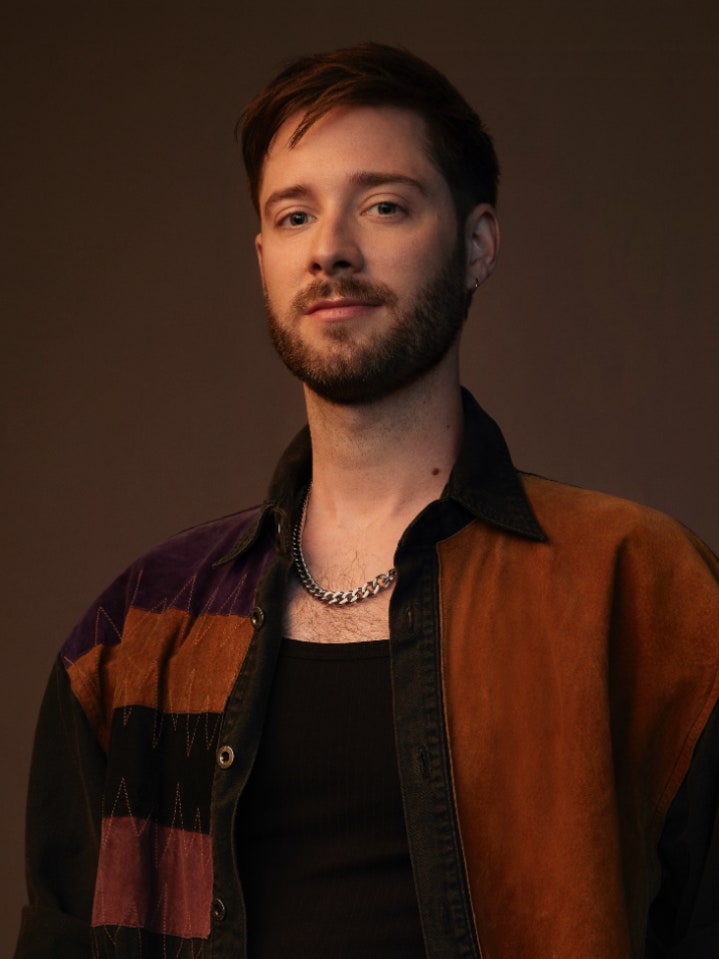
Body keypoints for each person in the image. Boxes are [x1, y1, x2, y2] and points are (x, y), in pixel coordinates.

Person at [13, 42, 719, 959]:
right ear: (263, 256)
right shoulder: (137, 632)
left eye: (384, 205)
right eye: (295, 214)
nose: (332, 250)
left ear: (476, 244)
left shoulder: (642, 585)